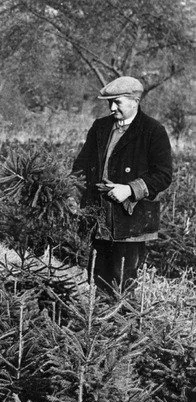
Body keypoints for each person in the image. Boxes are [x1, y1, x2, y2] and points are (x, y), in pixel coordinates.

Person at [72, 76, 173, 293]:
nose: (111, 108)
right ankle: (97, 322)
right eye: (109, 102)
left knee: (123, 282)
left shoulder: (153, 130)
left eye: (117, 102)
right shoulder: (100, 127)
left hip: (130, 221)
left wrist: (129, 189)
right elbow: (81, 166)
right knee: (96, 278)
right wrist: (72, 195)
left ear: (135, 101)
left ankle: (122, 324)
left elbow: (163, 175)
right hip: (98, 217)